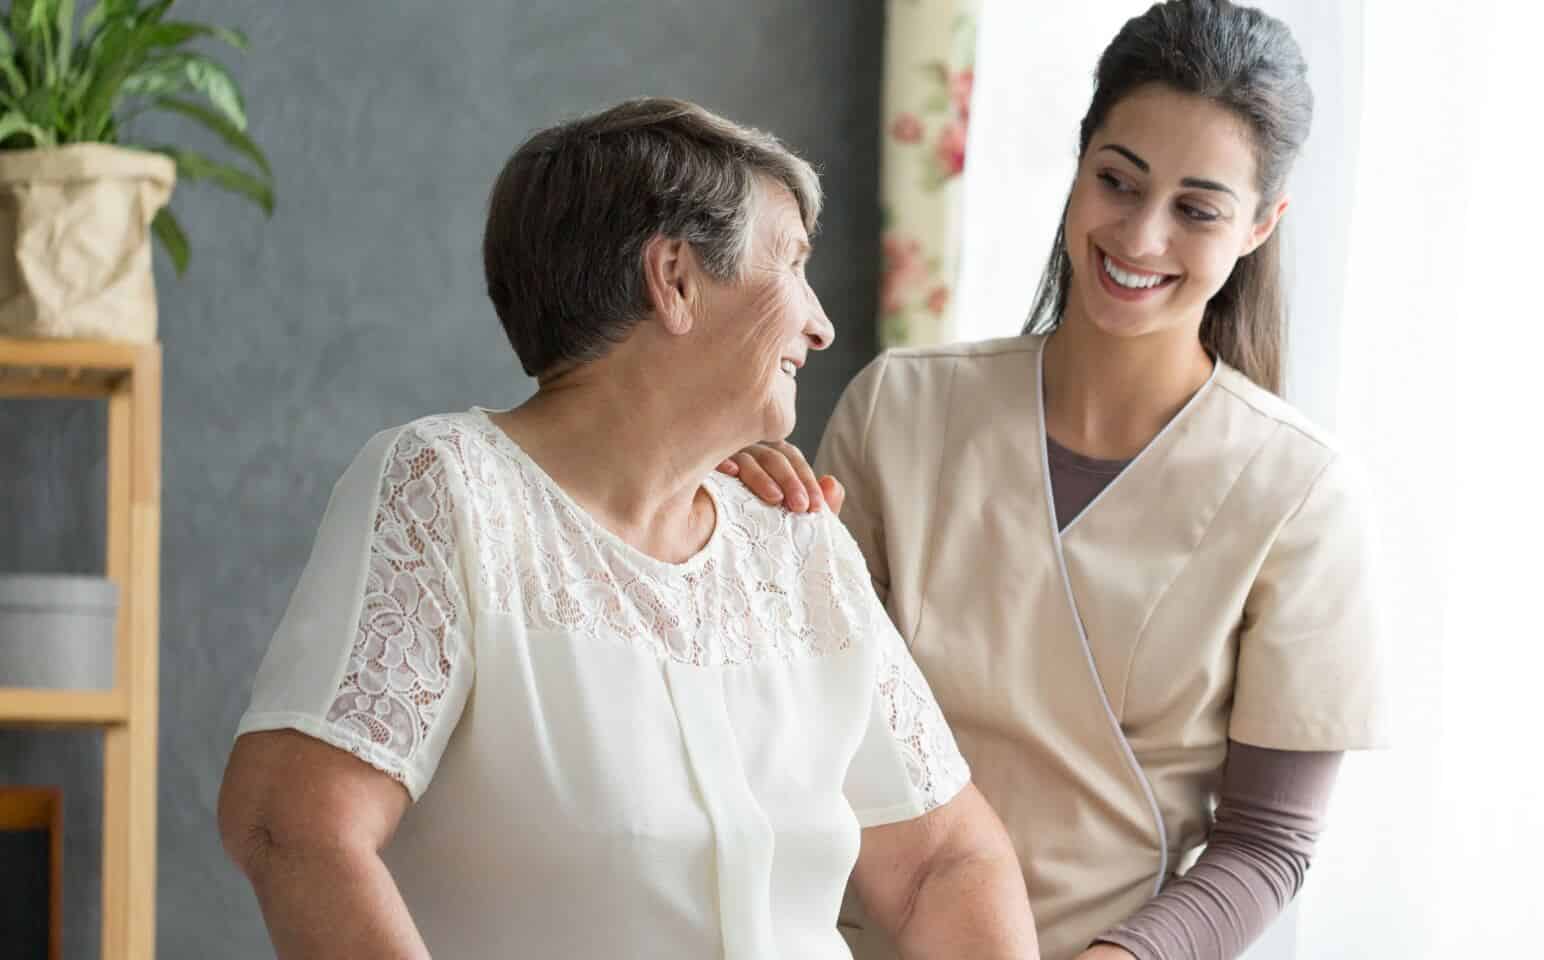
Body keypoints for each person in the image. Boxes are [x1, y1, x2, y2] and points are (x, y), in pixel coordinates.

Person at [215, 98, 1037, 960]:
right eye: (792, 264)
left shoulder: (796, 541)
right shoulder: (452, 492)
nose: (821, 325)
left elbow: (944, 861)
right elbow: (291, 824)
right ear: (674, 278)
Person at [723, 3, 1388, 957]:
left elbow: (1267, 843)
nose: (1143, 237)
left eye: (1197, 209)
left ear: (1259, 226)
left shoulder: (1301, 494)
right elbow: (794, 726)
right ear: (1079, 166)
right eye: (1119, 181)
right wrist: (732, 539)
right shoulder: (901, 407)